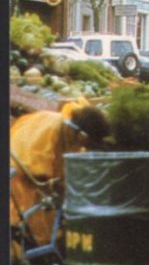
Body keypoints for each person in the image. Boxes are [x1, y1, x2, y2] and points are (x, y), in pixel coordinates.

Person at [10, 101, 111, 250]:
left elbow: (67, 171)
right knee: (22, 228)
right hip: (19, 181)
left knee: (46, 231)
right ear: (82, 135)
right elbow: (36, 173)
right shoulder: (48, 128)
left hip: (40, 186)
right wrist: (62, 195)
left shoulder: (74, 137)